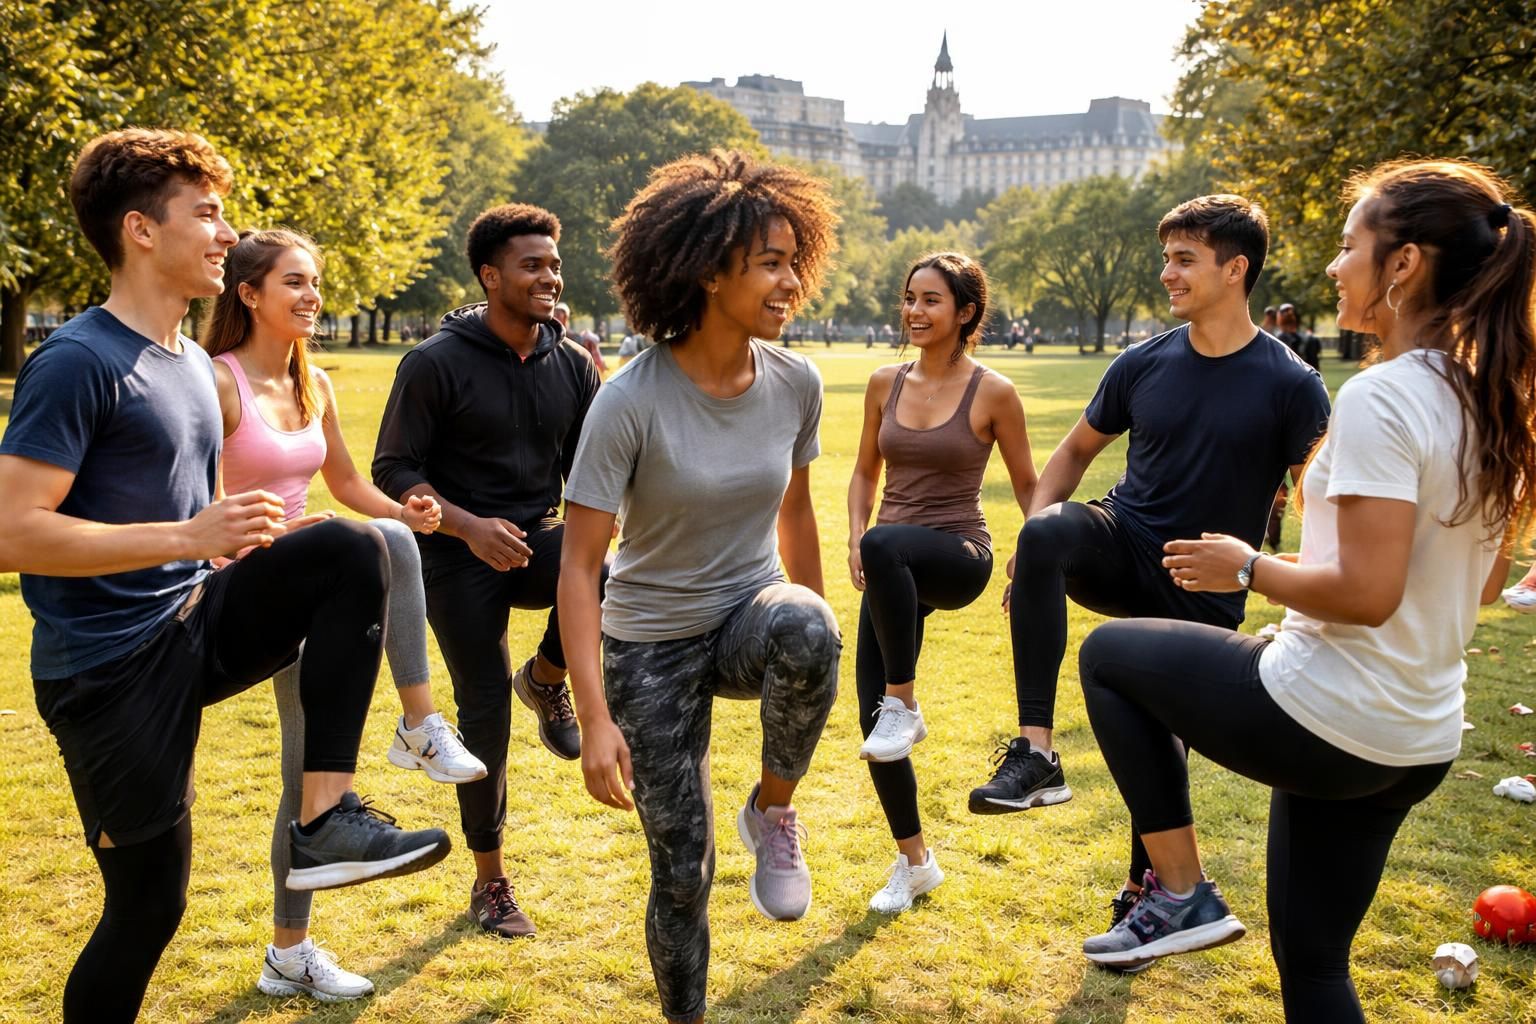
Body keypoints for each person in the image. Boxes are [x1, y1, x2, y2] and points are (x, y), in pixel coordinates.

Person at [0, 129, 449, 1024]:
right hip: (109, 668)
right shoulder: (79, 360)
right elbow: (12, 533)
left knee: (354, 548)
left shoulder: (188, 368)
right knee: (148, 909)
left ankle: (323, 820)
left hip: (190, 617)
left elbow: (189, 517)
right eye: (205, 214)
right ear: (138, 230)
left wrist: (234, 543)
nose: (223, 232)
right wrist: (190, 533)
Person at [1074, 159, 1532, 1022]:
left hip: (1331, 715)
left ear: (1403, 266)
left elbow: (1365, 592)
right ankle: (1180, 894)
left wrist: (1247, 567)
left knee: (1109, 654)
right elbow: (1481, 588)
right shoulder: (1492, 400)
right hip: (1417, 737)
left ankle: (1179, 891)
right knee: (1315, 969)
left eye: (1349, 245)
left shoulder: (1383, 398)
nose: (1333, 267)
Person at [966, 194, 1331, 932]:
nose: (1167, 272)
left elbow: (1322, 503)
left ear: (1235, 270)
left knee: (1153, 730)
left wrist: (1267, 571)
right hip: (1122, 543)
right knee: (1046, 535)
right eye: (1166, 257)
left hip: (1202, 586)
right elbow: (1072, 451)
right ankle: (1035, 752)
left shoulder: (1292, 385)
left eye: (1184, 259)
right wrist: (1034, 541)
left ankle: (1151, 890)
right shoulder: (1145, 360)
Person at [558, 150, 842, 1024]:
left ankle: (774, 810)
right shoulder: (629, 399)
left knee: (808, 626)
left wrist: (821, 630)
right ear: (710, 271)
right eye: (769, 262)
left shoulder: (796, 383)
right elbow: (578, 566)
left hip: (748, 615)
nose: (791, 281)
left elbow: (797, 519)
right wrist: (595, 716)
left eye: (796, 260)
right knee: (683, 871)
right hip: (650, 642)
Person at [202, 228, 487, 1000]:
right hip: (246, 584)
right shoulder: (216, 382)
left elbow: (350, 487)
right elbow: (192, 504)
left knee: (307, 787)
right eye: (292, 281)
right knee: (373, 541)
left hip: (320, 593)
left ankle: (287, 954)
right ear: (249, 294)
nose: (311, 295)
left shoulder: (314, 383)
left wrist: (407, 511)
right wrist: (294, 534)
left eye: (316, 281)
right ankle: (420, 727)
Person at [373, 202, 603, 939]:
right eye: (532, 265)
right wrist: (468, 528)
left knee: (600, 565)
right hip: (452, 556)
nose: (549, 277)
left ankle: (545, 678)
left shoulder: (571, 364)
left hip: (534, 541)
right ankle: (492, 882)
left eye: (553, 265)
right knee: (484, 719)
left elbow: (590, 476)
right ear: (490, 275)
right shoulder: (434, 363)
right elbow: (393, 468)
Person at [847, 252, 1037, 913]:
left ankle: (907, 703)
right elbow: (866, 473)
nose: (915, 312)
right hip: (892, 565)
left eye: (931, 301)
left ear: (966, 313)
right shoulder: (883, 382)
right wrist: (852, 533)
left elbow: (1029, 487)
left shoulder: (993, 392)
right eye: (909, 298)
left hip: (959, 555)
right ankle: (915, 861)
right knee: (872, 729)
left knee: (885, 545)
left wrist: (1031, 559)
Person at [553, 300, 608, 374]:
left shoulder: (575, 337)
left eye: (558, 314)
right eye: (554, 313)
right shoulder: (551, 333)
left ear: (565, 316)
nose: (555, 316)